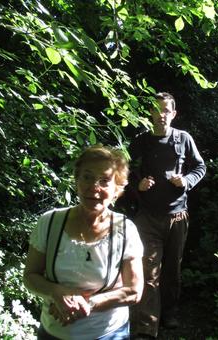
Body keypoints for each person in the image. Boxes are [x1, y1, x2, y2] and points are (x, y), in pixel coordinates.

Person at [23, 145, 144, 340]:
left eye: (104, 181)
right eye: (87, 177)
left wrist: (87, 305)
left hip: (108, 334)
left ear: (117, 189)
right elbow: (30, 275)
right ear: (77, 181)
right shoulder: (50, 222)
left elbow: (134, 291)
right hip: (52, 333)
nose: (94, 187)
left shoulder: (125, 230)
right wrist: (56, 292)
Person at [129, 92, 206, 339]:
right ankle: (146, 327)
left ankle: (170, 313)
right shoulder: (140, 141)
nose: (161, 115)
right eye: (156, 110)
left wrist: (185, 180)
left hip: (177, 216)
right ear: (150, 113)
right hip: (147, 217)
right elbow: (126, 171)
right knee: (148, 270)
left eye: (166, 110)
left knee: (172, 269)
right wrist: (137, 184)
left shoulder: (183, 139)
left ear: (173, 114)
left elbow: (200, 166)